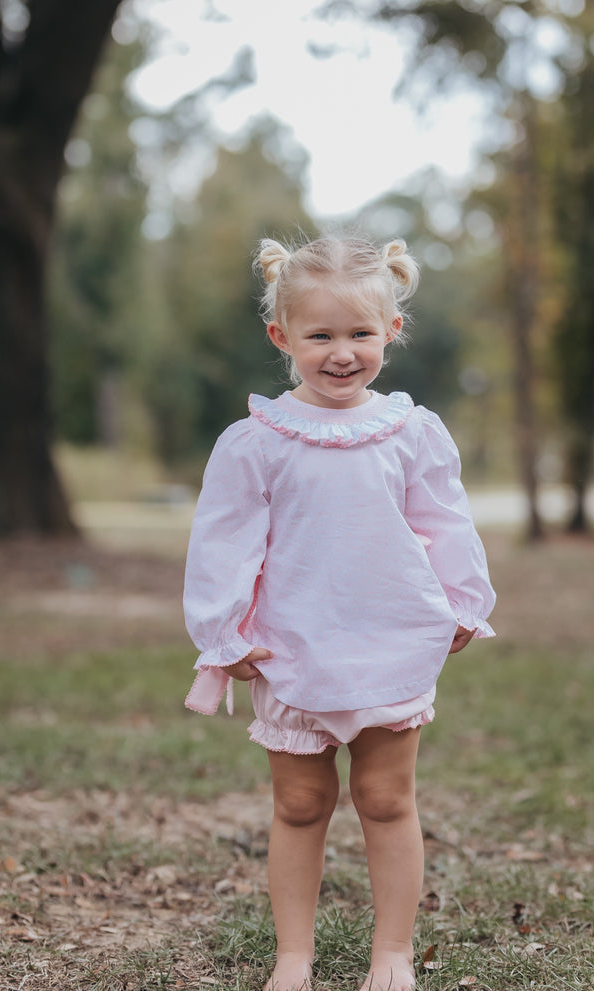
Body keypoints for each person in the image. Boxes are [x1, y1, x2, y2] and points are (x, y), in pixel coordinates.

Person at [183, 235, 495, 991]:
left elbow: (444, 519)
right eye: (320, 335)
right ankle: (295, 955)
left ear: (391, 330)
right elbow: (225, 540)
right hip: (293, 642)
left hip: (388, 636)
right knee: (298, 802)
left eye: (359, 333)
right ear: (281, 336)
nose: (341, 352)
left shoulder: (409, 431)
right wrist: (224, 632)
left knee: (386, 799)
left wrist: (464, 599)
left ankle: (392, 952)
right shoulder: (257, 442)